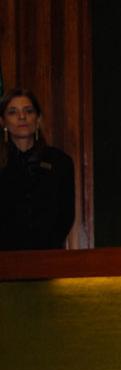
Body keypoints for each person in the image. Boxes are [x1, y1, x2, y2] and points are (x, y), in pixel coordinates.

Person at [0, 88, 75, 250]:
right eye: (13, 112)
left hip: (48, 256)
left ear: (38, 118)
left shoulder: (60, 162)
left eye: (28, 111)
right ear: (3, 122)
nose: (22, 117)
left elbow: (66, 216)